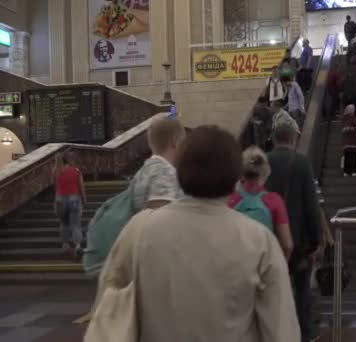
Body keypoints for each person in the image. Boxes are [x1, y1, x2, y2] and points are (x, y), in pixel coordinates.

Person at [91, 126, 300, 342]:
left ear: (180, 170)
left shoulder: (141, 229)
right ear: (234, 176)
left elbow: (109, 308)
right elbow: (281, 330)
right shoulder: (259, 240)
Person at [266, 124, 322, 342]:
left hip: (269, 239)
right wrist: (316, 238)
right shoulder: (301, 162)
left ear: (274, 139)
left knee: (272, 289)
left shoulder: (264, 162)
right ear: (293, 140)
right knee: (302, 289)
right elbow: (311, 203)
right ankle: (303, 334)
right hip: (298, 241)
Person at [228, 146, 294, 259]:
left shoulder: (230, 200)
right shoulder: (274, 200)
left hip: (236, 267)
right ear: (265, 171)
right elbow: (287, 245)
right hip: (263, 265)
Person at [132, 118, 186, 211]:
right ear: (175, 142)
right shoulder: (164, 173)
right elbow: (160, 217)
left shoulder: (142, 172)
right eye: (183, 141)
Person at [54, 151, 87, 258]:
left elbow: (56, 186)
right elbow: (81, 187)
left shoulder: (56, 170)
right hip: (74, 199)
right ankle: (77, 246)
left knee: (64, 223)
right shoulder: (76, 171)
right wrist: (85, 200)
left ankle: (65, 245)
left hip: (60, 201)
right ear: (70, 160)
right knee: (76, 224)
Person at [342, 105, 356, 176]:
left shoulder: (344, 119)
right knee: (354, 156)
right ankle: (354, 171)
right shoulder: (353, 118)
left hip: (346, 143)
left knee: (347, 157)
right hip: (354, 142)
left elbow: (344, 129)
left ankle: (346, 171)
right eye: (353, 110)